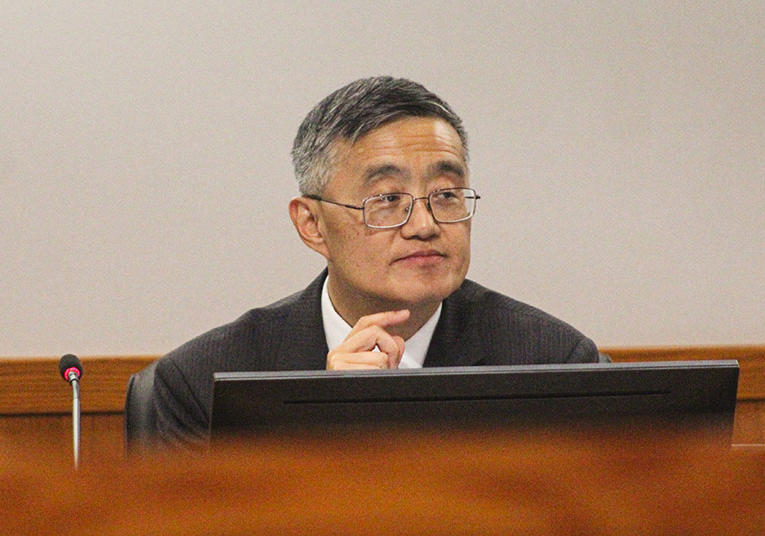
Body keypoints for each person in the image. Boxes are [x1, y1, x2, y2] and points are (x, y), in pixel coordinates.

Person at [151, 76, 600, 447]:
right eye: (387, 199)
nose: (424, 224)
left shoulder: (554, 364)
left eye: (445, 195)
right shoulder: (204, 382)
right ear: (312, 224)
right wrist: (320, 421)